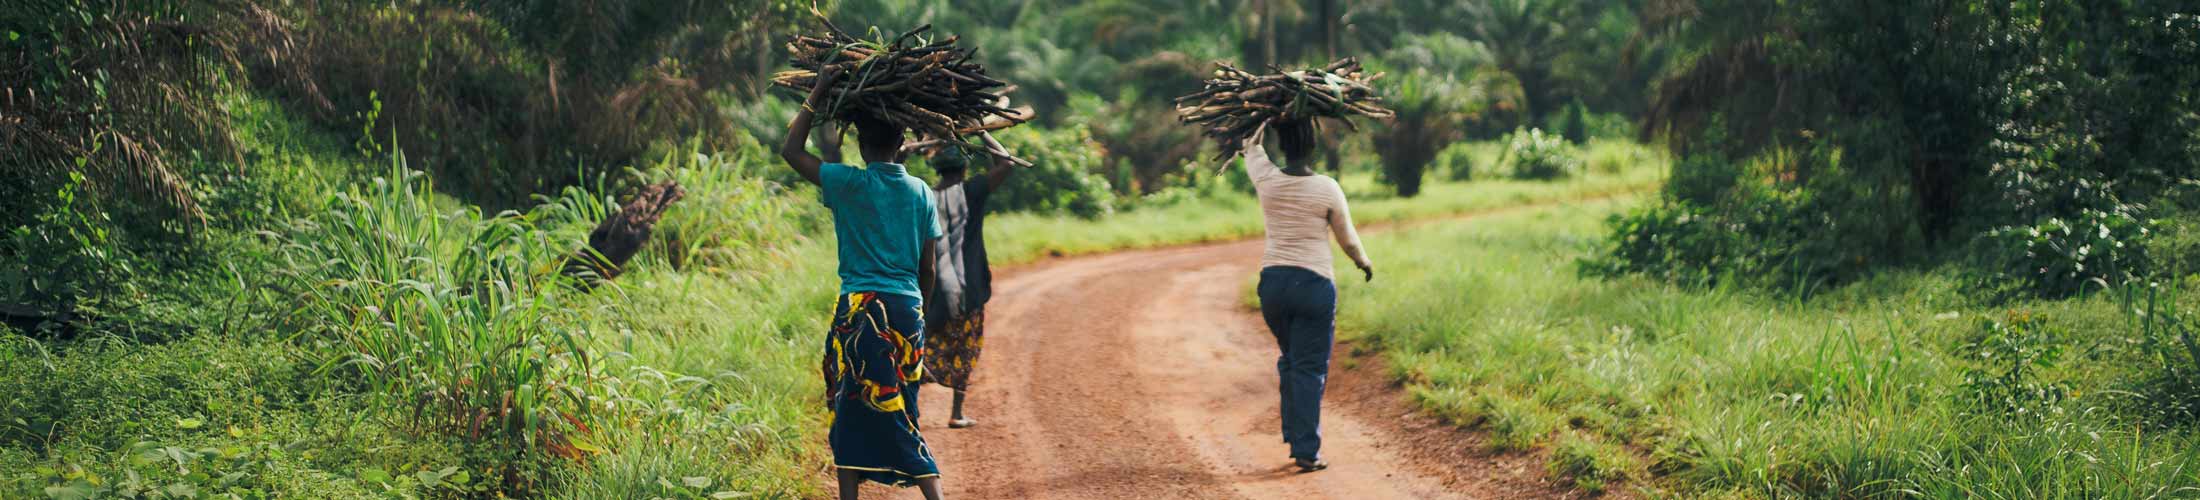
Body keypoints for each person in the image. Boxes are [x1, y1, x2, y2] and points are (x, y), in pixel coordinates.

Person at [780, 67, 948, 500]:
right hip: (908, 310)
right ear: (900, 143)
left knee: (850, 407)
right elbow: (927, 268)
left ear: (860, 143)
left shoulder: (847, 182)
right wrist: (919, 315)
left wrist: (817, 91)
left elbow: (791, 150)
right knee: (902, 407)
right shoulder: (923, 193)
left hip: (860, 311)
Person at [1239, 119, 1374, 473]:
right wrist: (1363, 262)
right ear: (1313, 146)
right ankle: (1305, 449)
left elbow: (1249, 147)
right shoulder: (1327, 188)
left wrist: (1263, 120)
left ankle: (1294, 435)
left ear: (1283, 146)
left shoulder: (1266, 180)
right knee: (1309, 368)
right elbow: (1348, 239)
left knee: (1291, 359)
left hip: (1273, 287)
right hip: (1313, 287)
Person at [913, 134, 1018, 429]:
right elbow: (1006, 163)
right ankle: (956, 413)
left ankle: (912, 409)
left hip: (932, 287)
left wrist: (905, 150)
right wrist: (982, 132)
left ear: (938, 169)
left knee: (925, 343)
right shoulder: (971, 191)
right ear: (963, 169)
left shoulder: (924, 196)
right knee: (966, 345)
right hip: (968, 286)